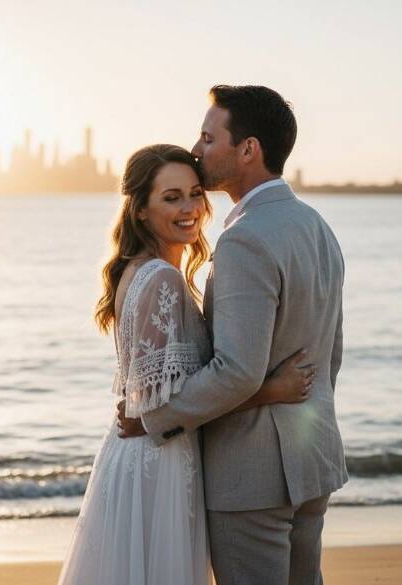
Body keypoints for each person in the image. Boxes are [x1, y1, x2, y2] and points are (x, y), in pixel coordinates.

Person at [118, 86, 348, 585]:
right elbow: (330, 355)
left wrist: (158, 417)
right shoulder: (317, 227)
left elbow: (238, 372)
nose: (197, 150)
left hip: (254, 477)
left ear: (248, 149)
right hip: (314, 461)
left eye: (208, 136)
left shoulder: (245, 238)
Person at [57, 144, 315, 585]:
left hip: (139, 454)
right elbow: (166, 409)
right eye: (171, 197)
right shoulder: (162, 278)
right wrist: (273, 390)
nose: (190, 208)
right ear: (140, 210)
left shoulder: (137, 270)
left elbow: (157, 403)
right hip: (160, 462)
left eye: (195, 194)